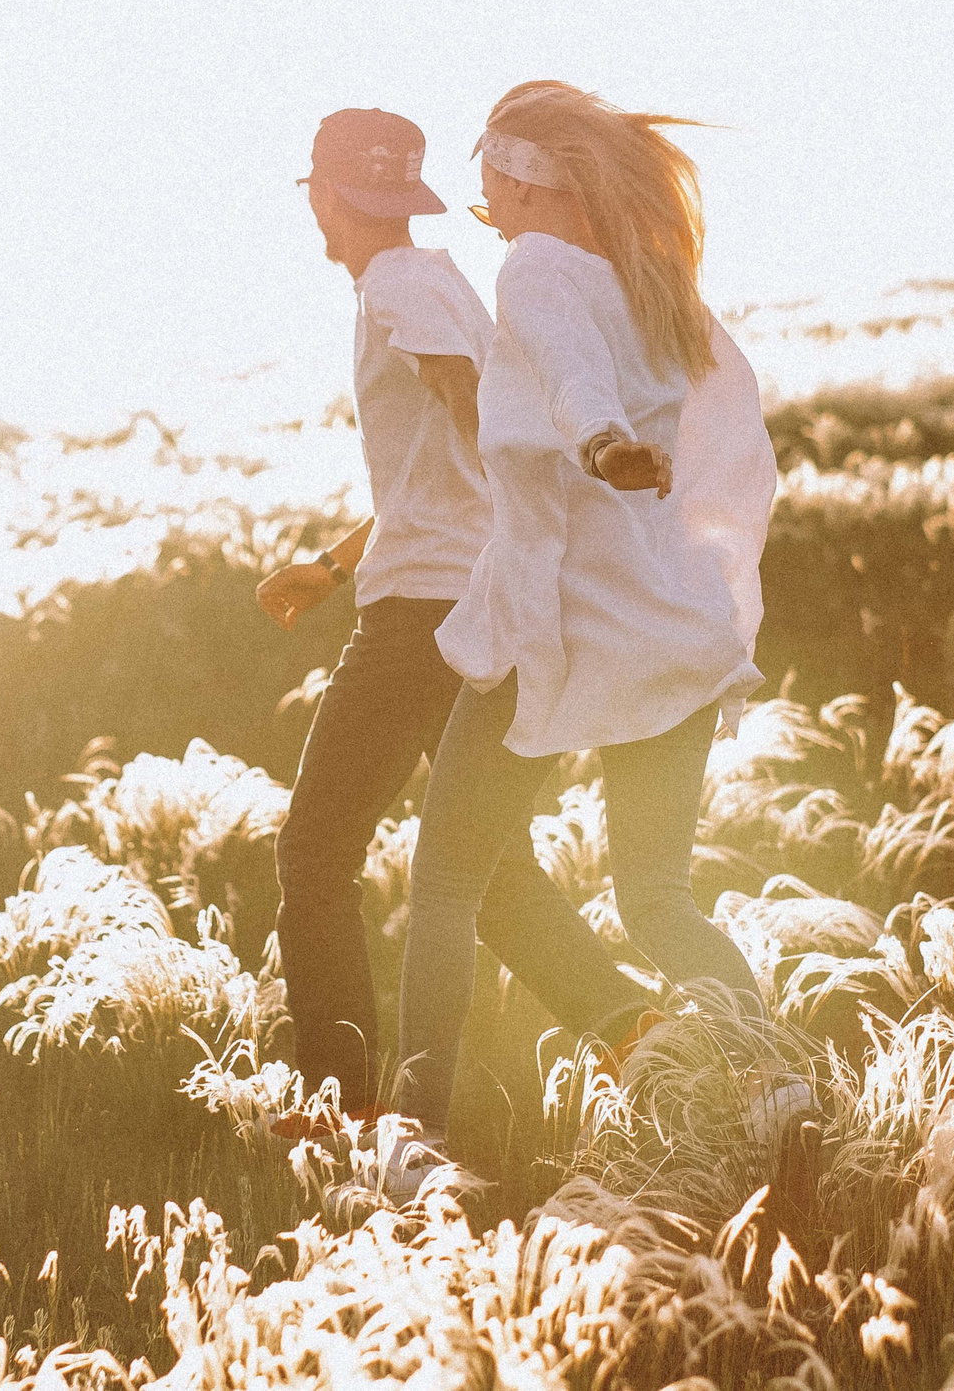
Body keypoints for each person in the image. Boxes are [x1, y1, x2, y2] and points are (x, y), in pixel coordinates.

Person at [384, 80, 803, 1198]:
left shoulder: (538, 270)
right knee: (656, 896)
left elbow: (569, 378)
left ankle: (410, 1141)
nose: (490, 215)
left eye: (492, 190)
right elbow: (727, 441)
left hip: (551, 628)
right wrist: (617, 448)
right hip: (663, 627)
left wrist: (603, 441)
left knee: (446, 889)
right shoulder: (657, 290)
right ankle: (776, 1090)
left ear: (530, 179)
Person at [261, 107, 661, 1139]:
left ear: (321, 192)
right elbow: (429, 475)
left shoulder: (396, 282)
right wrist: (326, 563)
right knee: (477, 867)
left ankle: (337, 1107)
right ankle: (633, 1030)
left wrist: (536, 502)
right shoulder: (427, 277)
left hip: (420, 615)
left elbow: (464, 403)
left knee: (314, 852)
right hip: (460, 589)